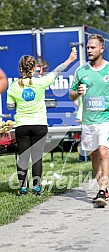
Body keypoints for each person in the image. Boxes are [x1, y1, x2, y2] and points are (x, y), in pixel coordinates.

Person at [7, 50, 77, 195]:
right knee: (37, 157)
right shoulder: (41, 82)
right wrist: (70, 60)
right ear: (33, 68)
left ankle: (22, 188)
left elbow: (10, 106)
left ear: (20, 68)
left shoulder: (13, 86)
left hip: (22, 125)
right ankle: (37, 188)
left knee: (23, 157)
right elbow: (57, 71)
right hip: (39, 125)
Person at [69, 34, 109, 207]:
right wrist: (77, 92)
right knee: (94, 154)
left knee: (103, 151)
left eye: (93, 47)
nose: (89, 50)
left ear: (101, 49)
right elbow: (71, 94)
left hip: (107, 119)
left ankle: (102, 189)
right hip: (89, 121)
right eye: (88, 47)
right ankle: (102, 187)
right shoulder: (81, 71)